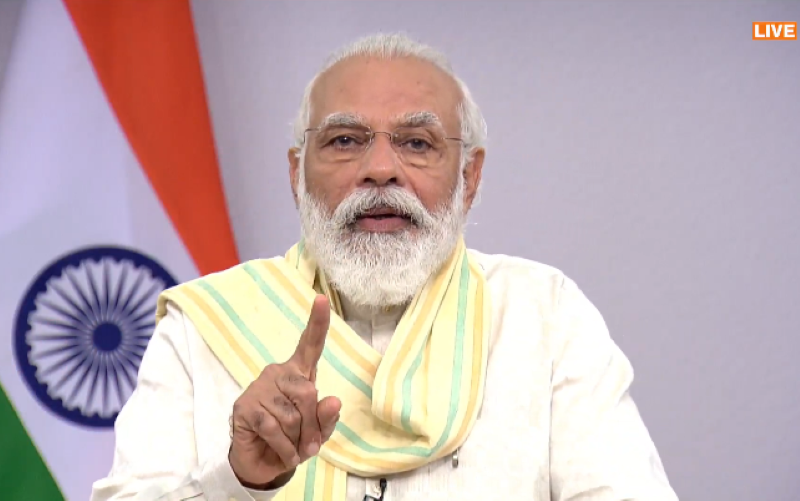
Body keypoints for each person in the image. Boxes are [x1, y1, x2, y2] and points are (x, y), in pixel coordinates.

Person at [91, 33, 679, 501]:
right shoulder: (203, 326)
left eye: (417, 143)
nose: (379, 169)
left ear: (470, 177)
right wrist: (237, 481)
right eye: (345, 141)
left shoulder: (544, 317)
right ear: (296, 175)